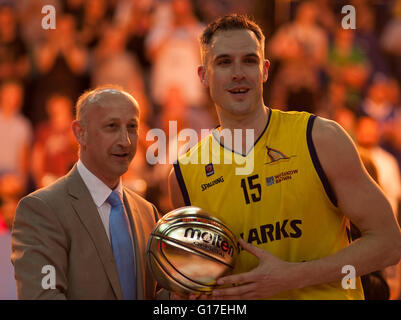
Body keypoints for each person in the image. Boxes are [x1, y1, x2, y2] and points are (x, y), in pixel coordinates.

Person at [168, 14, 401, 300]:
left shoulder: (319, 137)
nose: (238, 72)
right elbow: (198, 277)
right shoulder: (185, 173)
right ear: (203, 74)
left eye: (250, 61)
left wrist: (293, 276)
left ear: (265, 70)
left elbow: (389, 242)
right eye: (224, 62)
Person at [11, 85, 160, 299]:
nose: (125, 140)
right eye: (111, 126)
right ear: (80, 133)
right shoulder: (41, 210)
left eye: (132, 127)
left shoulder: (147, 212)